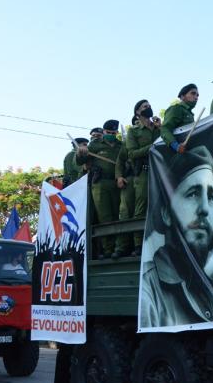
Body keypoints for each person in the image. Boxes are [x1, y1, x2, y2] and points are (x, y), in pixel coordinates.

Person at [140, 146, 213, 328]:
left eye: (211, 197)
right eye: (193, 194)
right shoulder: (148, 291)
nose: (204, 209)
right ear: (166, 213)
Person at [76, 120, 128, 259]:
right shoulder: (95, 145)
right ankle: (107, 249)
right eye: (108, 132)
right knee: (104, 216)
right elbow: (80, 161)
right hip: (100, 184)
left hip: (117, 182)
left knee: (119, 215)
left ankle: (119, 247)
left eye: (113, 133)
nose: (111, 135)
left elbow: (125, 160)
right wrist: (80, 153)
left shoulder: (120, 145)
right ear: (104, 132)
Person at [124, 100, 162, 255]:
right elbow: (131, 153)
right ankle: (138, 245)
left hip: (159, 171)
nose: (149, 108)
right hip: (143, 173)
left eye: (149, 106)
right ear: (137, 113)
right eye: (145, 107)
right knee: (140, 208)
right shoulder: (133, 132)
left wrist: (161, 129)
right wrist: (152, 146)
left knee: (160, 205)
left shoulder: (157, 128)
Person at [160, 83, 199, 153]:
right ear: (182, 96)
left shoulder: (190, 113)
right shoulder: (176, 109)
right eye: (193, 93)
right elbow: (164, 129)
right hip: (178, 153)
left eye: (197, 95)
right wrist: (176, 146)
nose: (196, 97)